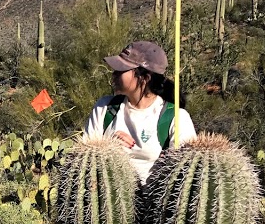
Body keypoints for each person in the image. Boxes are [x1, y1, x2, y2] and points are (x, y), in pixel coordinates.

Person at [84, 41, 196, 182]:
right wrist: (108, 146)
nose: (114, 74)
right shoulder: (104, 108)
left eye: (121, 70)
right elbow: (84, 159)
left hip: (156, 201)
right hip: (109, 198)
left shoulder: (176, 118)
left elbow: (185, 173)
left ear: (145, 78)